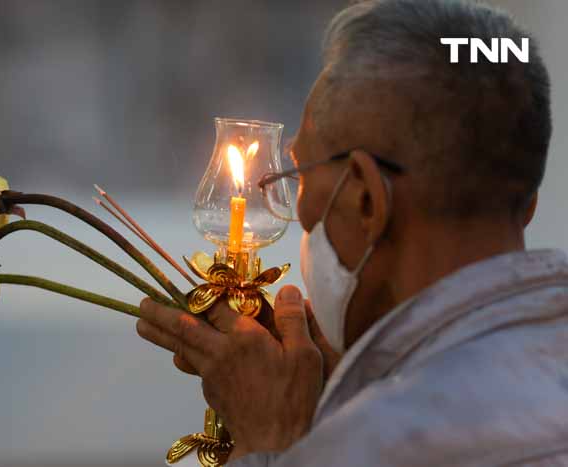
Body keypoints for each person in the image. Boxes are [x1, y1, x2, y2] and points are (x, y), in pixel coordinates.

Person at [137, 0, 568, 465]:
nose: (297, 209)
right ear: (526, 204)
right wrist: (353, 385)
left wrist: (270, 438)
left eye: (298, 174)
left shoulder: (384, 442)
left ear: (364, 198)